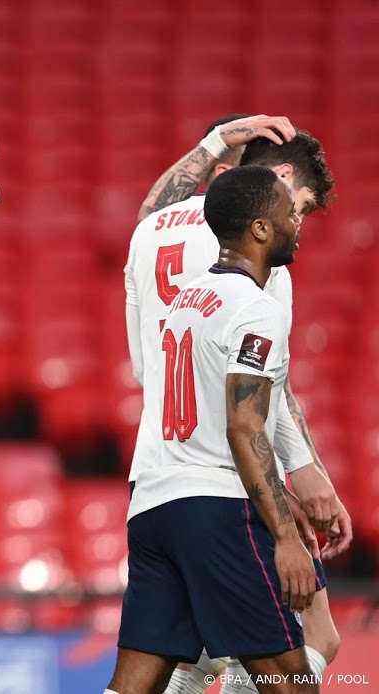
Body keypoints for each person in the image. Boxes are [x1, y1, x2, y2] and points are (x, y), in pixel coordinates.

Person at [125, 120, 347, 694]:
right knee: (311, 645)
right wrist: (303, 478)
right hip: (222, 481)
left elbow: (154, 205)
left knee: (177, 666)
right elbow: (256, 400)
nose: (298, 225)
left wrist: (213, 140)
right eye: (297, 207)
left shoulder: (153, 232)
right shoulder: (253, 268)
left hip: (154, 471)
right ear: (269, 193)